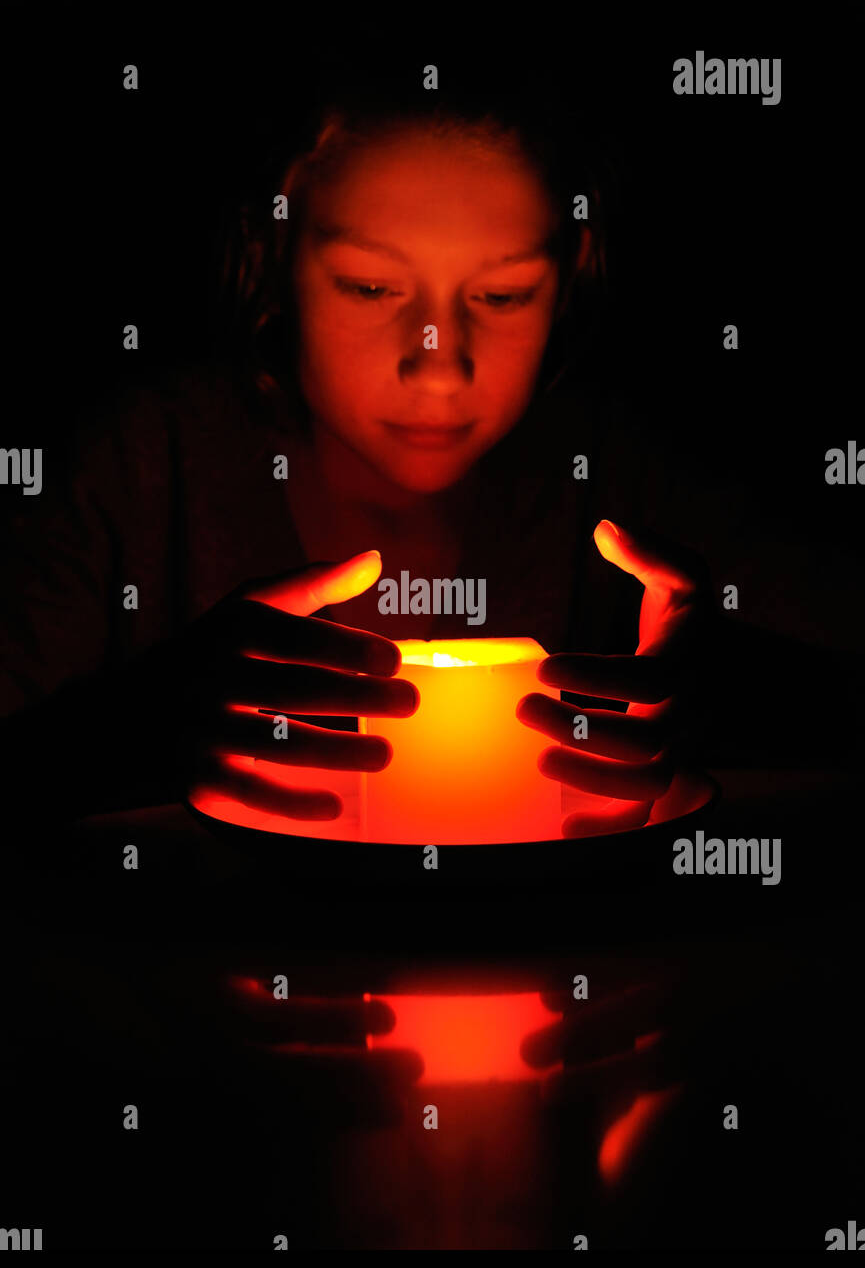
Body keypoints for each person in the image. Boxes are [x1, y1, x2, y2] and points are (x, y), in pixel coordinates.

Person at [0, 70, 858, 839]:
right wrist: (128, 732)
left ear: (571, 279)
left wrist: (738, 694)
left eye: (502, 294)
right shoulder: (142, 470)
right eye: (371, 287)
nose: (440, 363)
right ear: (269, 264)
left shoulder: (615, 475)